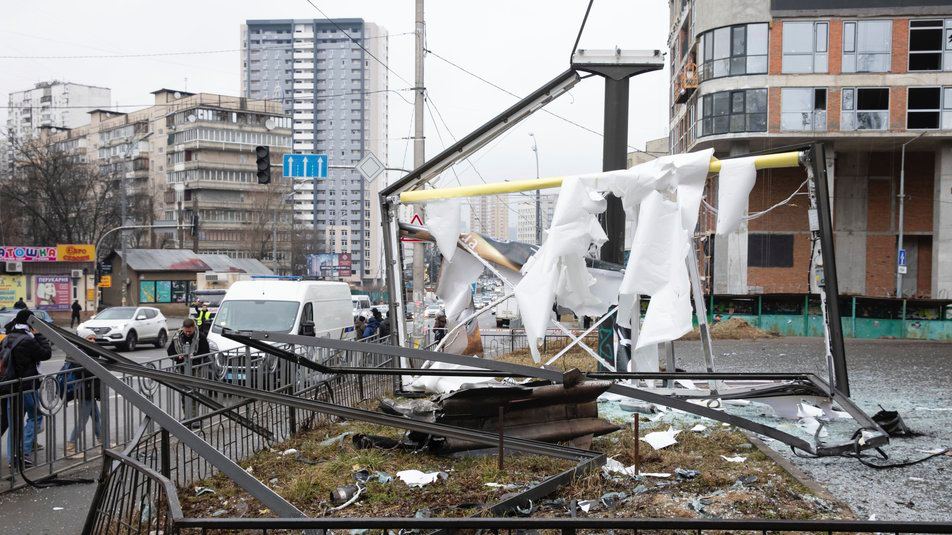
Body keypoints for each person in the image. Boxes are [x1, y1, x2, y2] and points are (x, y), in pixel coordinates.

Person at [0, 309, 52, 467]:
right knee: (36, 416)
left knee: (14, 422)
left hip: (9, 387)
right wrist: (38, 334)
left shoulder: (8, 338)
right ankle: (23, 452)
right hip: (26, 386)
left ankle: (13, 459)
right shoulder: (28, 339)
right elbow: (46, 354)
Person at [63, 335, 102, 457]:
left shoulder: (90, 353)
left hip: (90, 391)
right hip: (84, 391)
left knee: (96, 417)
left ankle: (102, 443)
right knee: (82, 420)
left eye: (94, 339)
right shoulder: (78, 354)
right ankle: (70, 448)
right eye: (90, 338)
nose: (93, 341)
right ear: (82, 340)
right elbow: (83, 371)